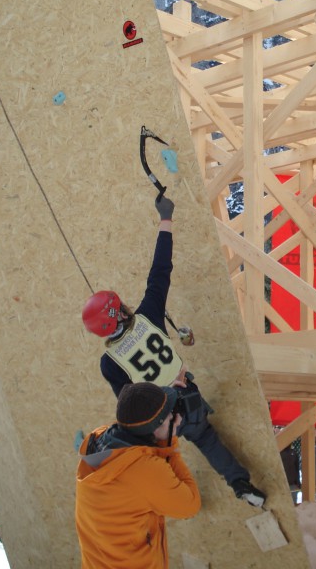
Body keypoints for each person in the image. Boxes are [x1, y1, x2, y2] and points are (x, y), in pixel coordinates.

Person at [82, 192, 266, 508]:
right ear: (121, 312)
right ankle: (240, 482)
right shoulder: (148, 315)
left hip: (158, 418)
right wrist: (165, 218)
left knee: (153, 452)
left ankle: (165, 490)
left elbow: (129, 405)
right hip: (187, 400)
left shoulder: (109, 363)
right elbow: (160, 270)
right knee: (207, 439)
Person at [76, 381, 201, 569]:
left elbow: (140, 415)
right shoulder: (145, 470)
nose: (175, 420)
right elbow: (190, 505)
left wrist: (157, 400)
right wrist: (171, 445)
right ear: (154, 429)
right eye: (168, 418)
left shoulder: (98, 438)